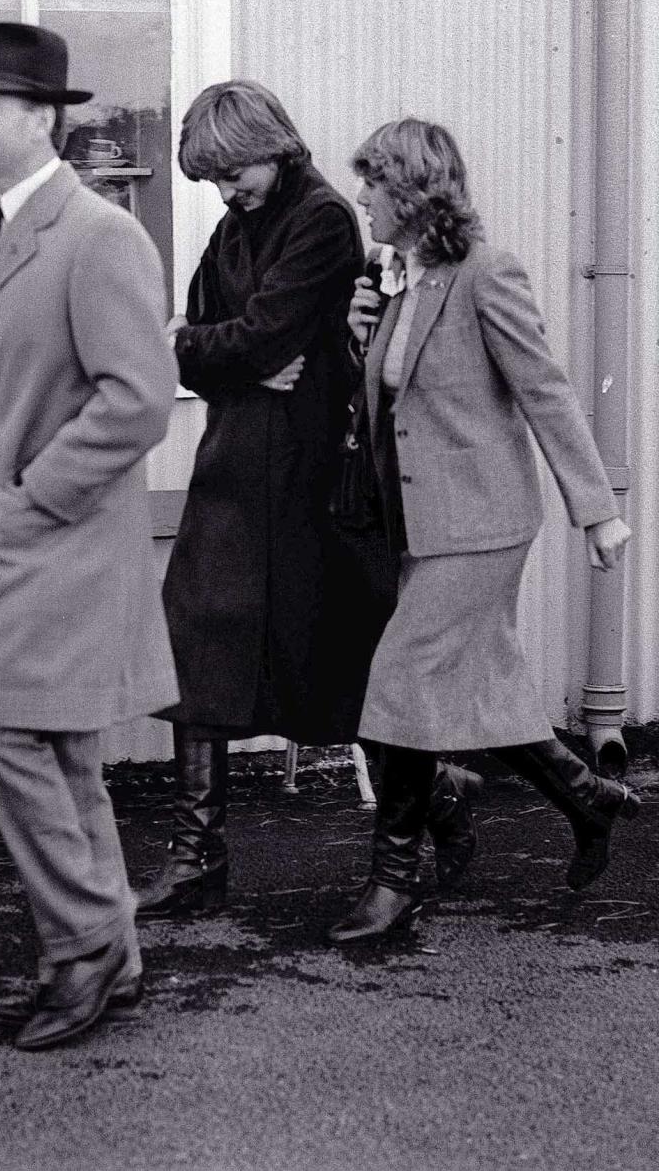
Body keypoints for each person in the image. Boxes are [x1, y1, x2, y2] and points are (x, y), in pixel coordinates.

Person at [137, 80, 478, 920]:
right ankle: (195, 858)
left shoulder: (322, 219)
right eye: (211, 180)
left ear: (273, 145)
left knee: (347, 668)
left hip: (313, 482)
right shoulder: (233, 229)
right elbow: (185, 348)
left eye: (232, 172)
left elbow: (249, 336)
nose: (224, 191)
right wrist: (224, 353)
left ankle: (430, 806)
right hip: (231, 473)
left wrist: (226, 350)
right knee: (196, 651)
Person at [0, 23, 179, 1047]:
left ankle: (80, 946)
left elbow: (139, 397)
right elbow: (24, 379)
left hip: (54, 535)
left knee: (4, 734)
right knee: (59, 744)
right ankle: (109, 953)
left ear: (43, 119)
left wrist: (32, 490)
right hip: (13, 525)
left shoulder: (98, 234)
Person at [325, 117, 638, 945]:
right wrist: (360, 335)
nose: (360, 196)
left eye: (372, 183)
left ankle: (393, 882)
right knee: (479, 692)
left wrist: (597, 507)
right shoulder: (397, 279)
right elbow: (392, 409)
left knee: (397, 683)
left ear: (412, 190)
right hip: (420, 524)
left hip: (482, 521)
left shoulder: (485, 274)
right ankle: (588, 797)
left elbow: (546, 389)